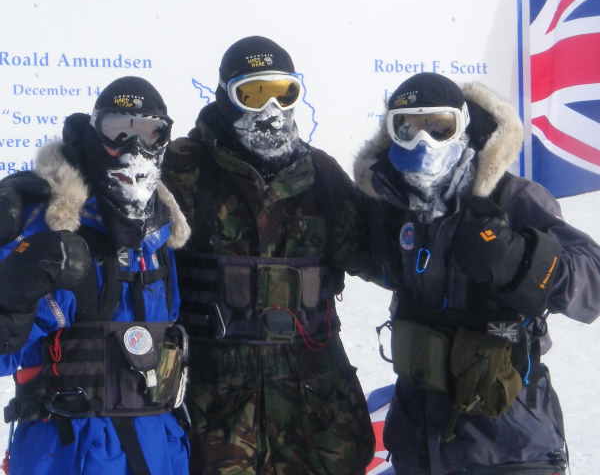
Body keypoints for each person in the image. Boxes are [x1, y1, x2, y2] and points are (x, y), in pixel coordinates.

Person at [353, 72, 600, 475]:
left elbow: (594, 278)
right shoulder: (390, 208)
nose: (423, 141)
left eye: (439, 127)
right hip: (419, 442)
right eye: (408, 128)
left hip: (509, 446)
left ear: (463, 127)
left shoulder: (510, 198)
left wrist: (517, 259)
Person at [162, 35, 375, 474]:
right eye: (253, 94)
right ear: (226, 97)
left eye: (283, 93)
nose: (270, 111)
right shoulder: (184, 169)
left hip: (313, 399)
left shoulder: (321, 175)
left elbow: (382, 256)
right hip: (216, 401)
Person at [0, 76, 191, 475]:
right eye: (118, 130)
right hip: (68, 450)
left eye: (150, 131)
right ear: (93, 131)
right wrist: (17, 290)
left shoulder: (160, 236)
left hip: (158, 446)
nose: (134, 147)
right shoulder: (49, 223)